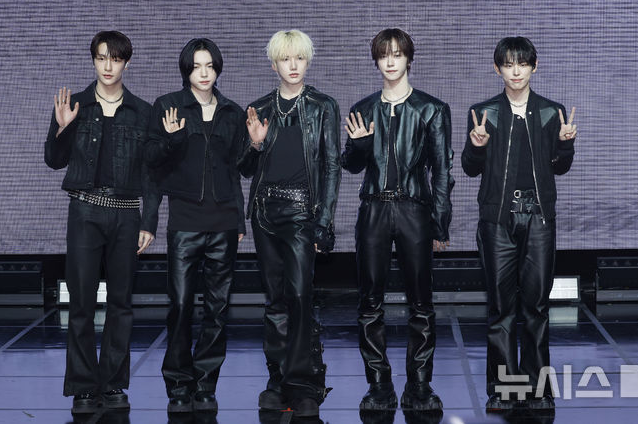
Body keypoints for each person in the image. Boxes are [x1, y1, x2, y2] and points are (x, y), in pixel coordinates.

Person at [461, 36, 576, 412]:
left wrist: (565, 144)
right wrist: (476, 145)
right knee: (501, 309)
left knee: (536, 309)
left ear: (534, 67)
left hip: (539, 218)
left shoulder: (551, 112)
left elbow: (560, 167)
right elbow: (470, 168)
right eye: (508, 64)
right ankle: (505, 390)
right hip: (498, 221)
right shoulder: (484, 113)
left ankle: (539, 390)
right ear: (497, 69)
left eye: (522, 64)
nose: (515, 71)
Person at [44, 30, 157, 414]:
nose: (108, 66)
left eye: (116, 59)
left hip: (126, 213)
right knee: (81, 303)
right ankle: (82, 388)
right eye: (101, 58)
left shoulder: (142, 112)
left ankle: (113, 385)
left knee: (121, 304)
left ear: (126, 62)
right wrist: (63, 127)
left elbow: (151, 174)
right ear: (93, 60)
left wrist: (149, 221)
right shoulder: (74, 105)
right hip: (85, 212)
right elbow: (53, 160)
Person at [341, 28, 454, 412]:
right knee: (369, 303)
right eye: (383, 55)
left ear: (408, 58)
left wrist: (440, 221)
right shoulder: (363, 108)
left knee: (421, 302)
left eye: (397, 54)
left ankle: (420, 385)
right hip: (373, 209)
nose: (390, 61)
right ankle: (378, 385)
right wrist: (359, 145)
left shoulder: (431, 109)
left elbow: (442, 171)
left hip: (413, 209)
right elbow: (350, 164)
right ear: (376, 60)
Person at [238, 29, 341, 418]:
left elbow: (331, 166)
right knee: (275, 300)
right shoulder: (258, 108)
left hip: (302, 213)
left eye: (299, 58)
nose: (293, 65)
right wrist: (255, 144)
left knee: (300, 297)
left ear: (307, 61)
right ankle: (278, 379)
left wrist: (323, 222)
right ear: (274, 65)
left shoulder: (323, 106)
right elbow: (244, 168)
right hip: (265, 213)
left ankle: (304, 384)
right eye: (285, 59)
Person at [144, 38, 246, 413]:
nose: (204, 73)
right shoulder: (167, 107)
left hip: (224, 222)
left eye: (210, 66)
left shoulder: (232, 112)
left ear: (218, 69)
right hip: (185, 220)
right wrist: (171, 141)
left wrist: (240, 219)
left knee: (217, 309)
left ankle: (205, 384)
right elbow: (151, 163)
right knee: (181, 305)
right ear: (186, 69)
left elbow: (236, 170)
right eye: (196, 66)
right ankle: (178, 384)